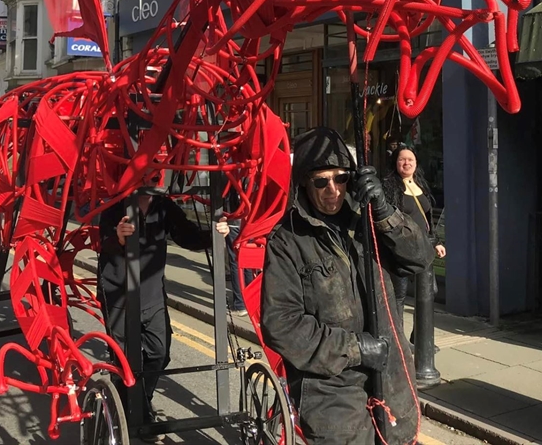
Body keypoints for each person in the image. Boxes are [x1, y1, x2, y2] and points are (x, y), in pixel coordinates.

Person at [260, 127, 434, 445]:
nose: (333, 190)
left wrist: (384, 211)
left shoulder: (367, 219)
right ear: (303, 182)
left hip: (391, 383)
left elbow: (420, 259)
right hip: (332, 396)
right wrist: (354, 348)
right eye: (321, 181)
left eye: (340, 179)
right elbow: (281, 324)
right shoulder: (287, 240)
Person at [97, 182, 230, 441]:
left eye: (157, 168)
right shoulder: (115, 203)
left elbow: (187, 236)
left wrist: (215, 233)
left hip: (152, 293)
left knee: (160, 352)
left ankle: (140, 400)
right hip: (118, 294)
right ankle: (139, 412)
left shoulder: (163, 205)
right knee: (124, 360)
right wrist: (119, 238)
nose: (153, 175)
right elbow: (103, 242)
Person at [383, 145, 446, 338]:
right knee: (398, 296)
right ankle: (399, 342)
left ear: (416, 163)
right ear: (395, 163)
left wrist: (435, 242)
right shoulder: (390, 186)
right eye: (402, 159)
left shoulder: (419, 184)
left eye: (410, 159)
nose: (407, 163)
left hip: (423, 248)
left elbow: (425, 219)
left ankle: (419, 338)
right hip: (400, 251)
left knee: (429, 291)